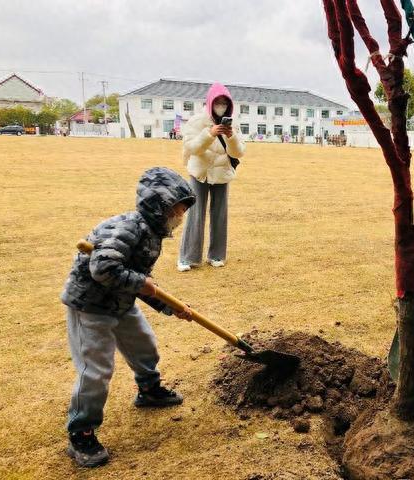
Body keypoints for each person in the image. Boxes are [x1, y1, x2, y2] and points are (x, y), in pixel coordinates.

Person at [60, 167, 196, 467]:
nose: (180, 217)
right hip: (90, 306)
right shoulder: (124, 228)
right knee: (95, 371)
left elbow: (137, 280)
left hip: (121, 302)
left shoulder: (152, 234)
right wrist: (142, 283)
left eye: (183, 211)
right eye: (177, 209)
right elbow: (103, 269)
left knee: (144, 345)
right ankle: (81, 432)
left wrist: (168, 306)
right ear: (158, 206)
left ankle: (149, 390)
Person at [178, 83, 246, 271]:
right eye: (218, 102)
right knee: (195, 214)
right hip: (200, 173)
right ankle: (187, 257)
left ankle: (216, 255)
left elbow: (239, 152)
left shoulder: (233, 122)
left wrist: (231, 137)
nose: (221, 106)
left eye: (225, 103)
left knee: (219, 215)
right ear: (210, 103)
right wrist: (209, 134)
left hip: (222, 174)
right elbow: (191, 148)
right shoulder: (196, 121)